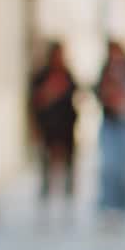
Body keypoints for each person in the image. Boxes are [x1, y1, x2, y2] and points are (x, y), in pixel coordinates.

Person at [95, 40, 125, 217]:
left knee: (122, 167)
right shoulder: (105, 72)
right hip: (110, 121)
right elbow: (99, 93)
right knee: (109, 166)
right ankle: (108, 204)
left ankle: (122, 205)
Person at [28, 41, 79, 201]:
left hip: (65, 125)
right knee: (46, 159)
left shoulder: (67, 74)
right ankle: (46, 190)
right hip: (48, 125)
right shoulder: (42, 76)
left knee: (68, 160)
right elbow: (34, 102)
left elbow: (75, 95)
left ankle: (68, 191)